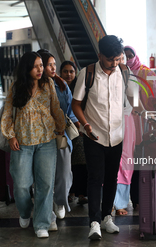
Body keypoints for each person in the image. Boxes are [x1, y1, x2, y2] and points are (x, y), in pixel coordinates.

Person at [72, 35, 137, 240]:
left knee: (111, 178)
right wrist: (86, 124)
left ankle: (107, 217)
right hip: (94, 135)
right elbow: (76, 103)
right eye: (111, 60)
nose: (115, 63)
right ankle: (94, 222)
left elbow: (133, 101)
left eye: (118, 59)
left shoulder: (125, 73)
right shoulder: (87, 73)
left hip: (117, 135)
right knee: (95, 178)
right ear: (100, 55)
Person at [1, 51, 66, 238]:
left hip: (47, 140)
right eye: (36, 66)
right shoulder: (15, 87)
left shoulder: (48, 85)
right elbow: (6, 114)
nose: (40, 69)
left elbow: (55, 107)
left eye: (41, 65)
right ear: (27, 68)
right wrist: (10, 136)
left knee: (45, 185)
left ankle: (41, 224)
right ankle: (24, 211)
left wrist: (61, 127)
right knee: (21, 184)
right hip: (22, 143)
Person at [37, 51, 78, 226]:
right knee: (44, 176)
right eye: (49, 64)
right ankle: (46, 208)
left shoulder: (62, 85)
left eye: (54, 64)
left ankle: (60, 201)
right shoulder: (34, 86)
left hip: (60, 136)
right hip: (40, 137)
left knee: (64, 173)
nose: (53, 68)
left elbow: (70, 112)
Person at [124, 45, 156, 211]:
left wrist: (155, 115)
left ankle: (143, 197)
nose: (129, 58)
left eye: (131, 55)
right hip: (127, 123)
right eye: (126, 56)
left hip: (145, 122)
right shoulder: (119, 73)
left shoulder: (146, 73)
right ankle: (134, 198)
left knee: (144, 161)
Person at [60, 60, 88, 205]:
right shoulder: (57, 88)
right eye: (65, 71)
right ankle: (69, 192)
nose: (69, 74)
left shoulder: (80, 86)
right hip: (63, 130)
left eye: (71, 71)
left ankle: (82, 192)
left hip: (78, 129)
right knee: (67, 163)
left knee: (81, 162)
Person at [113, 51, 136, 216]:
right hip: (108, 121)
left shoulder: (130, 74)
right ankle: (109, 201)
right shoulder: (103, 75)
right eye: (116, 59)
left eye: (122, 59)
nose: (119, 62)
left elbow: (135, 101)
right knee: (111, 160)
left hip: (126, 120)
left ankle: (120, 202)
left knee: (126, 161)